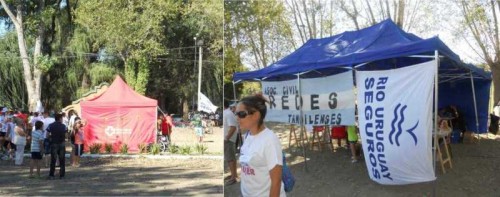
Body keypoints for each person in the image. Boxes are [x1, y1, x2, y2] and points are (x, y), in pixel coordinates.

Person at [236, 94, 285, 197]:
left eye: (241, 114)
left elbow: (276, 182)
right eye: (236, 114)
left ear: (256, 115)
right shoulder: (248, 136)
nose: (237, 118)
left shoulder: (269, 140)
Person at [46, 114, 68, 179]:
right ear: (60, 118)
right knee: (62, 160)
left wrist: (50, 137)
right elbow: (66, 135)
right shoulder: (63, 126)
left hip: (54, 143)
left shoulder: (50, 125)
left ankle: (51, 175)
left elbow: (47, 135)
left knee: (53, 160)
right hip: (61, 143)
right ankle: (62, 175)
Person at [224, 100, 239, 186]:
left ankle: (233, 177)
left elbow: (233, 127)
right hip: (229, 139)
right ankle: (234, 174)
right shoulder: (228, 113)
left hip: (229, 140)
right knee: (231, 158)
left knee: (230, 158)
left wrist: (226, 138)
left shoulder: (228, 113)